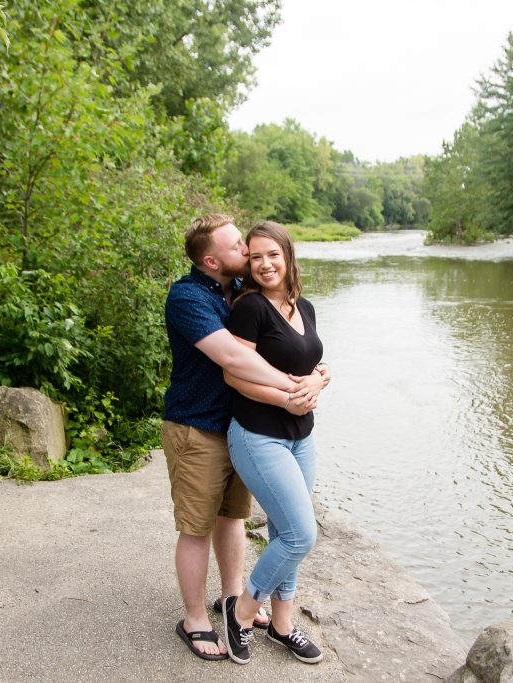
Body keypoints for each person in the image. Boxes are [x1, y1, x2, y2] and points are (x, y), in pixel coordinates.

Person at [162, 213, 327, 661]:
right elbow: (234, 359)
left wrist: (318, 375)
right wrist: (292, 389)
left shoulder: (239, 290)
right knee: (196, 526)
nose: (248, 253)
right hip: (197, 425)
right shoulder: (188, 296)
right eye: (239, 248)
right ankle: (195, 619)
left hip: (239, 421)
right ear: (212, 261)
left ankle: (233, 598)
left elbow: (290, 343)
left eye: (254, 249)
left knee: (232, 517)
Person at [220, 221, 329, 666]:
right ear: (248, 263)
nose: (265, 264)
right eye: (256, 257)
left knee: (286, 533)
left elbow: (311, 361)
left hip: (301, 438)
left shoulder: (304, 306)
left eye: (273, 255)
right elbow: (234, 375)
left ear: (288, 256)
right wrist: (287, 399)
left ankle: (282, 626)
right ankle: (241, 612)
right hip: (258, 436)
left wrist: (320, 380)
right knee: (302, 535)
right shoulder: (250, 309)